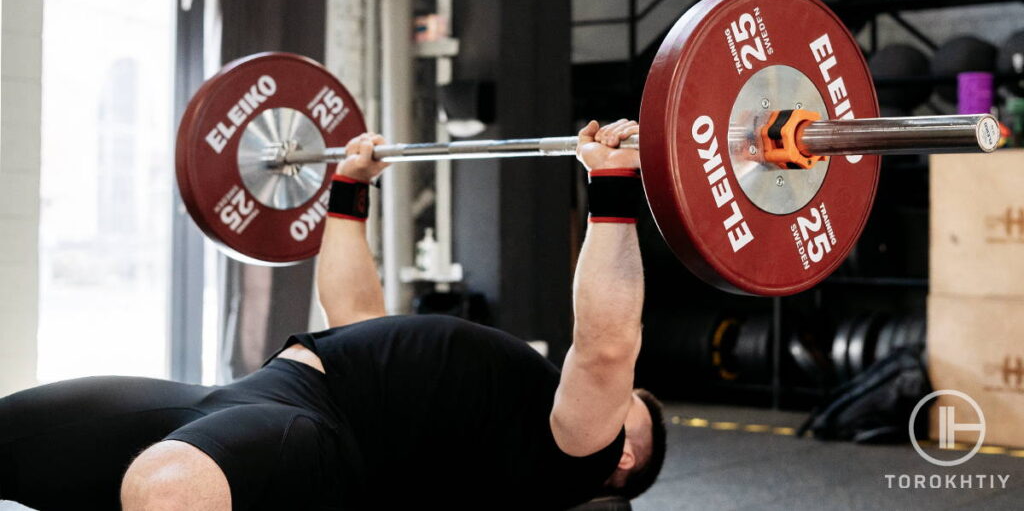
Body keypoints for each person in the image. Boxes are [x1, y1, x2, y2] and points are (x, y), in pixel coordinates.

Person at [0, 119, 666, 510]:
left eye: (624, 405)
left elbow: (606, 346)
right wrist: (348, 192)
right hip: (245, 394)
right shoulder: (491, 410)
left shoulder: (578, 452)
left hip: (315, 434)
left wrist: (613, 182)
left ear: (626, 452)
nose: (612, 396)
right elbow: (355, 314)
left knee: (167, 486)